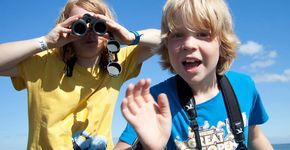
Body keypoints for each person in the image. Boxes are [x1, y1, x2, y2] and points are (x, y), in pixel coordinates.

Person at [0, 0, 160, 149]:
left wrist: (130, 37)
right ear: (66, 27)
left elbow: (165, 39)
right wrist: (46, 42)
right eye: (80, 26)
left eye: (99, 25)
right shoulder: (43, 63)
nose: (90, 33)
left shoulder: (117, 63)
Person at [115, 0, 273, 149]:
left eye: (203, 34)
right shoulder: (156, 100)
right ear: (167, 46)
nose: (189, 45)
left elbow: (255, 137)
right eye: (178, 35)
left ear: (222, 44)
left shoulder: (244, 86)